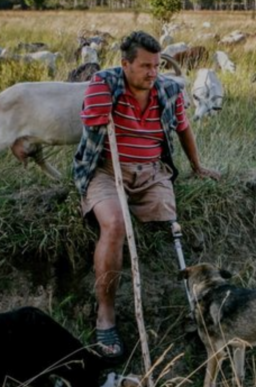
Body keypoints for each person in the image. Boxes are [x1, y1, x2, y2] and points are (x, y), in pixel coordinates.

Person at [73, 31, 220, 360]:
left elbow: (183, 127)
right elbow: (91, 126)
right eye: (144, 66)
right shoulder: (103, 84)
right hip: (107, 171)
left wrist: (197, 166)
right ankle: (105, 316)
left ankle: (193, 312)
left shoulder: (168, 88)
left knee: (173, 230)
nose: (153, 72)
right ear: (125, 64)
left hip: (152, 172)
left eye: (156, 65)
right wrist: (104, 104)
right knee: (114, 224)